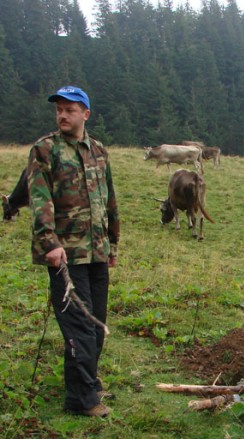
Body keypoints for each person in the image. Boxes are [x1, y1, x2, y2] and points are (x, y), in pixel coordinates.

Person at [27, 86, 120, 417]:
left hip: (97, 251)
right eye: (59, 110)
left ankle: (88, 383)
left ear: (86, 114)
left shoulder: (99, 150)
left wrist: (113, 243)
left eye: (70, 109)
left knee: (96, 323)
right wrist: (49, 242)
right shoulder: (45, 149)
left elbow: (109, 199)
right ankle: (82, 400)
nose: (62, 115)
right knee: (79, 326)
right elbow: (40, 199)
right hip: (65, 254)